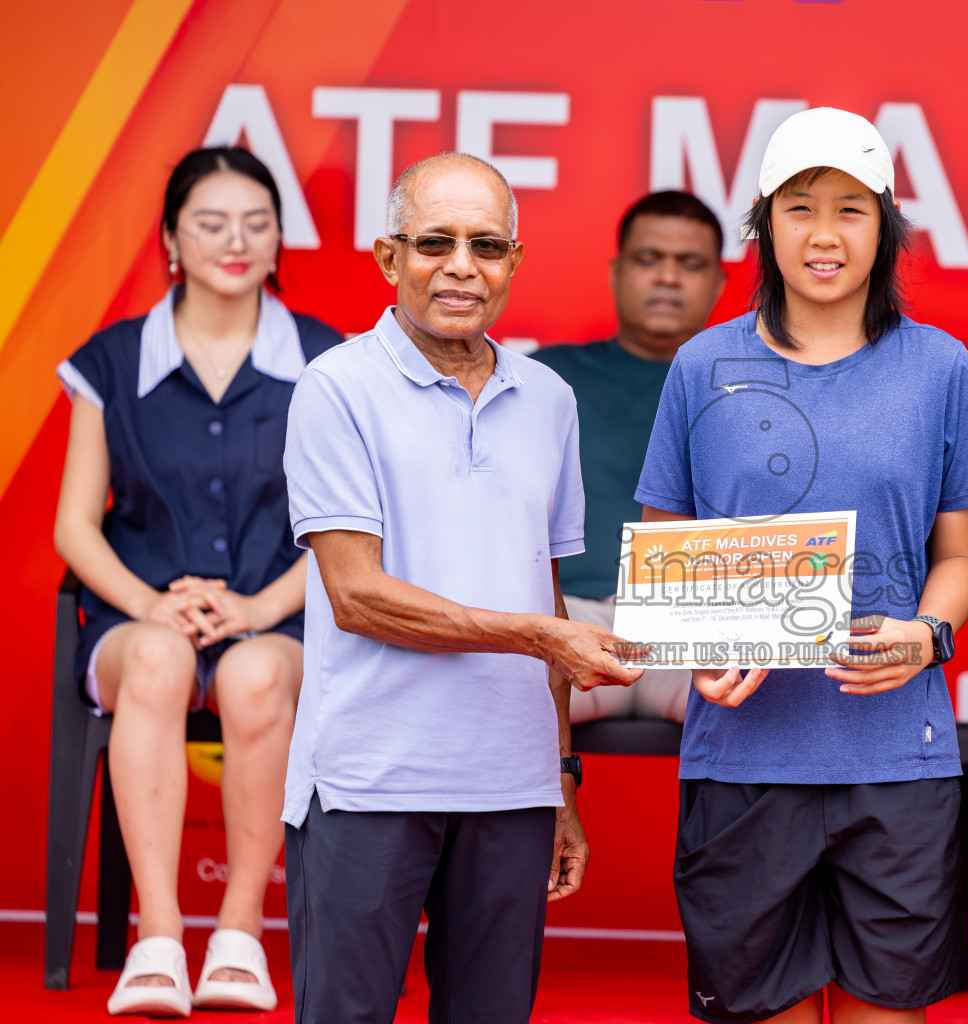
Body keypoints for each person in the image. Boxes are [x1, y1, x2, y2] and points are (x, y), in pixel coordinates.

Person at [636, 107, 968, 1024]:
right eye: (800, 208)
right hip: (743, 760)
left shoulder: (940, 368)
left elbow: (960, 555)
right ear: (763, 225)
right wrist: (706, 647)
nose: (826, 235)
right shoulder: (701, 365)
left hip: (898, 763)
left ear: (887, 228)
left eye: (852, 209)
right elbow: (670, 563)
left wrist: (928, 633)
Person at [280, 152, 645, 1024]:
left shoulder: (550, 399)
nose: (461, 266)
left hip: (513, 788)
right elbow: (358, 595)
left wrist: (559, 776)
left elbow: (547, 595)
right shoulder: (336, 389)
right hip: (371, 779)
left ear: (514, 263)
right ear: (387, 257)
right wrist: (534, 637)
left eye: (486, 246)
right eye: (435, 242)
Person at [52, 146, 343, 1017]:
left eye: (256, 223)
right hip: (138, 616)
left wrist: (258, 607)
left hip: (277, 614)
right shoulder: (110, 363)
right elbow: (74, 523)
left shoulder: (327, 363)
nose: (236, 241)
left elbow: (347, 529)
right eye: (211, 223)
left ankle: (240, 935)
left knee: (255, 674)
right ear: (171, 238)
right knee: (157, 664)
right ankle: (158, 937)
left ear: (278, 238)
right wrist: (152, 604)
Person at [531, 191, 727, 724]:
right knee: (495, 708)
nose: (667, 277)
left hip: (697, 627)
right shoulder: (543, 379)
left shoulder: (757, 390)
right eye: (648, 259)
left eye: (690, 263)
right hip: (572, 621)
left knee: (775, 705)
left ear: (719, 282)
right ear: (617, 273)